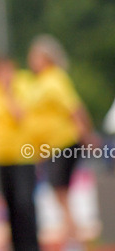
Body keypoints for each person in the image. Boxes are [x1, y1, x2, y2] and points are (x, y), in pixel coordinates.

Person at [26, 35, 96, 246]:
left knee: (60, 190)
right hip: (51, 146)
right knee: (59, 191)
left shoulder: (55, 79)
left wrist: (88, 136)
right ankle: (72, 232)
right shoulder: (39, 82)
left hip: (63, 142)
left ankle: (73, 235)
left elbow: (74, 109)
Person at [0, 56, 40, 251]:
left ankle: (31, 245)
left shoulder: (24, 83)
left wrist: (8, 92)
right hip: (0, 155)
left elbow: (20, 114)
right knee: (9, 203)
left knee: (25, 202)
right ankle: (17, 244)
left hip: (22, 154)